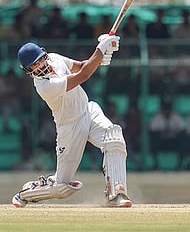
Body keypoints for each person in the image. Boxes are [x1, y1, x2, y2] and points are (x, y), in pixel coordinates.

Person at [12, 33, 133, 208]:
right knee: (62, 187)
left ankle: (116, 194)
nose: (39, 67)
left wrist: (101, 58)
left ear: (44, 55)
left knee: (114, 139)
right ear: (28, 71)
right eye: (33, 66)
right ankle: (27, 193)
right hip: (70, 127)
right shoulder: (44, 87)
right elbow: (83, 75)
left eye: (39, 61)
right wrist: (100, 49)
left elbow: (82, 66)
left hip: (88, 111)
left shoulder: (54, 58)